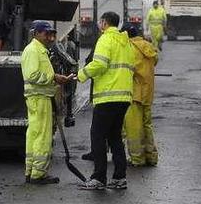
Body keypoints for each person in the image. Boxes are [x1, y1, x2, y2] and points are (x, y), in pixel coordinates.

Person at [77, 11, 135, 190]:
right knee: (115, 137)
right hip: (123, 97)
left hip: (107, 96)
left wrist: (81, 74)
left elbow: (100, 64)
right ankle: (119, 178)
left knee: (98, 136)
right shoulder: (125, 43)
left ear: (104, 23)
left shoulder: (105, 39)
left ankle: (99, 178)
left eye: (100, 22)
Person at [21, 20, 75, 185]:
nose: (51, 37)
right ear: (36, 33)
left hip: (39, 97)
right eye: (47, 34)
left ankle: (32, 171)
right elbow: (32, 75)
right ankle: (38, 174)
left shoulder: (39, 50)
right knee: (43, 137)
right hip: (39, 98)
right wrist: (54, 77)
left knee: (35, 135)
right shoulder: (33, 50)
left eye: (52, 34)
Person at [121, 22, 159, 166]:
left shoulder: (130, 48)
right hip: (147, 93)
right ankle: (151, 156)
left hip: (134, 93)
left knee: (133, 128)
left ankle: (138, 158)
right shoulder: (148, 46)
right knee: (147, 125)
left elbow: (129, 69)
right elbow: (154, 61)